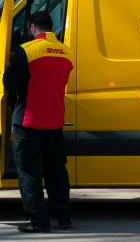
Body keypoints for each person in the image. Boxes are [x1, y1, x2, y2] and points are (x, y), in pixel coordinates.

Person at [2, 12, 74, 233]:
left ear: (32, 26)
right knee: (56, 171)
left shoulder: (27, 50)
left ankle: (39, 221)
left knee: (29, 172)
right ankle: (63, 218)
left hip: (29, 120)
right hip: (54, 120)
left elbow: (9, 82)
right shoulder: (66, 52)